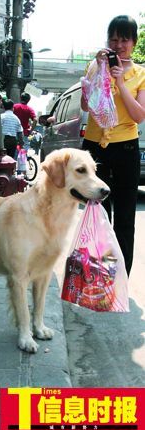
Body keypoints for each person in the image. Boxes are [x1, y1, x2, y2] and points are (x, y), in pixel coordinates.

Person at [81, 15, 145, 276]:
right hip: (94, 148)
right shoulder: (95, 66)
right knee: (97, 213)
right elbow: (87, 106)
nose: (118, 45)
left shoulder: (140, 73)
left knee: (125, 214)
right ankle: (98, 272)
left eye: (124, 39)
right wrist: (98, 72)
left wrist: (120, 82)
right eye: (113, 39)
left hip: (125, 149)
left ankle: (120, 275)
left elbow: (138, 115)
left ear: (134, 42)